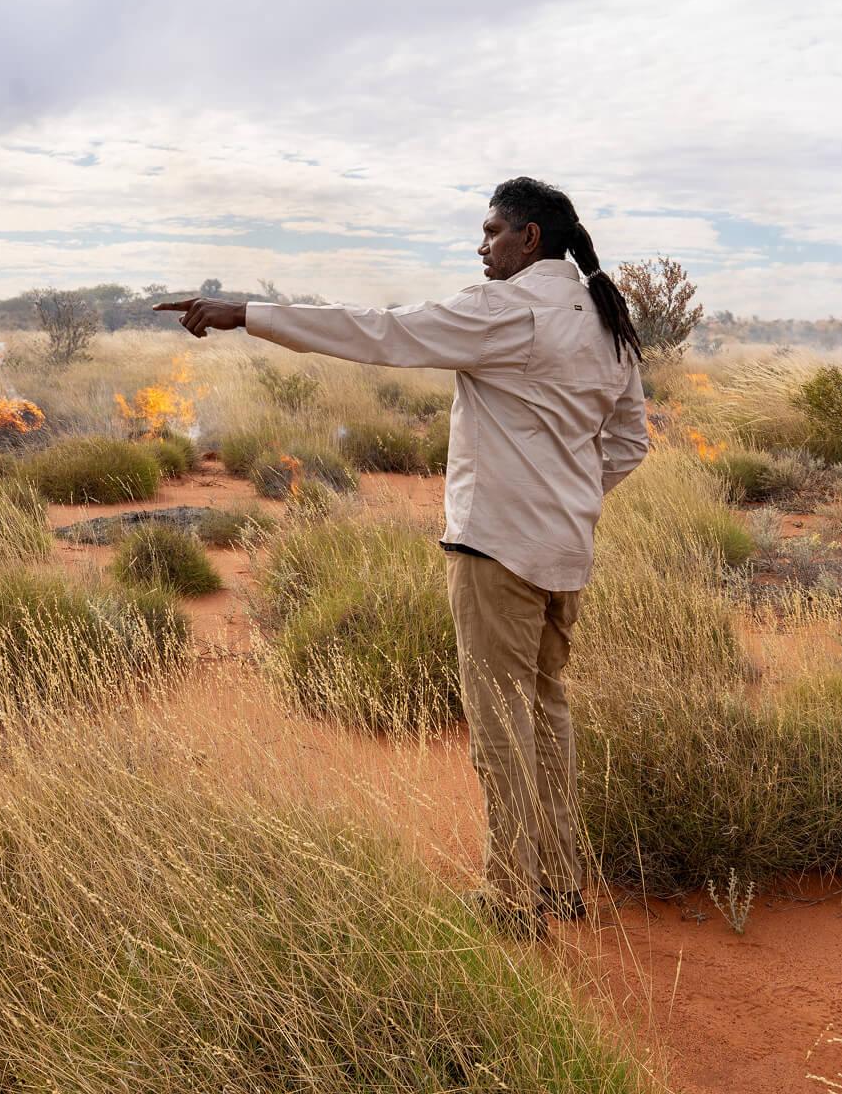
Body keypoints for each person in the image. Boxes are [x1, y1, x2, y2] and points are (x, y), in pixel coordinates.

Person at [158, 177, 651, 935]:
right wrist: (568, 493)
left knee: (500, 728)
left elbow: (383, 333)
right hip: (564, 550)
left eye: (492, 231)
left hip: (497, 549)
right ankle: (559, 881)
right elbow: (627, 443)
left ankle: (515, 900)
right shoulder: (602, 316)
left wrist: (247, 314)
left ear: (530, 240)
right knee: (547, 714)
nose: (481, 245)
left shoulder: (508, 310)